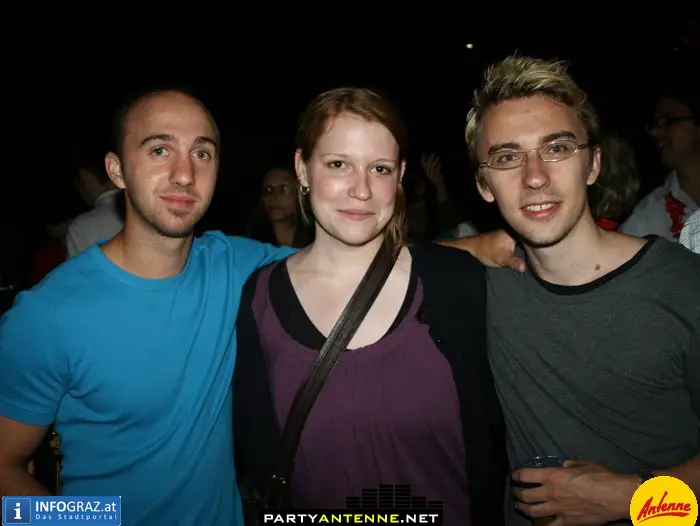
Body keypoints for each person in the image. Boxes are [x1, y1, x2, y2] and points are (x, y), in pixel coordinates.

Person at [0, 88, 521, 526]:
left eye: (202, 153)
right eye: (159, 150)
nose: (184, 173)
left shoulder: (237, 268)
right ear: (116, 169)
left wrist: (478, 247)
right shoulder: (47, 315)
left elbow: (349, 258)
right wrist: (94, 518)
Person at [234, 87, 508, 526]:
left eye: (379, 169)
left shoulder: (457, 283)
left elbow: (497, 442)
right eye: (338, 164)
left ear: (400, 176)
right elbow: (258, 453)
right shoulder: (260, 298)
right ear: (303, 168)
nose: (361, 190)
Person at [465, 55, 700, 525]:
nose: (535, 176)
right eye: (508, 157)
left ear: (593, 164)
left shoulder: (683, 285)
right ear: (484, 185)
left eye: (556, 148)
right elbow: (369, 263)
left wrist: (634, 500)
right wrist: (473, 245)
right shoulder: (482, 286)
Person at [245, 162, 313, 248]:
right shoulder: (251, 243)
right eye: (268, 189)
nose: (274, 197)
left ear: (299, 193)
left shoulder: (316, 238)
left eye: (283, 189)